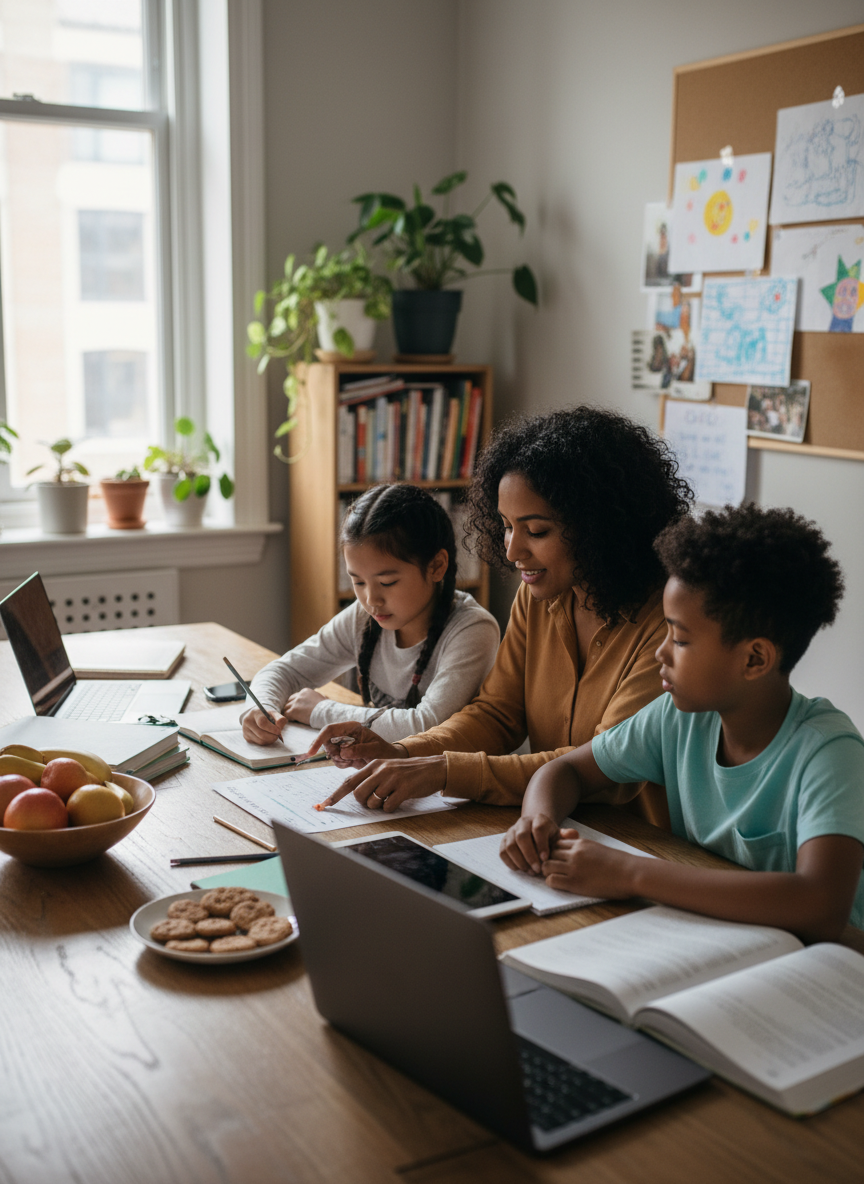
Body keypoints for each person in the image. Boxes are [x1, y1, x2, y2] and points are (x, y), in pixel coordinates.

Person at [310, 406, 694, 828]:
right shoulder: (539, 597)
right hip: (549, 827)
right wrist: (403, 752)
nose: (512, 551)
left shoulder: (669, 623)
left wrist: (443, 769)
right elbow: (498, 714)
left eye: (536, 531)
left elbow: (605, 767)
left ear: (600, 527)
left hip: (642, 843)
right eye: (507, 526)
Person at [500, 504, 864, 942]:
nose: (661, 652)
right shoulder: (679, 718)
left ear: (754, 658)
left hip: (827, 967)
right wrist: (536, 822)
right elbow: (565, 770)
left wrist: (629, 873)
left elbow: (819, 906)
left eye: (681, 638)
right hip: (719, 939)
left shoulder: (829, 752)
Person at [241, 483, 500, 745]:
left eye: (387, 582)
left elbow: (429, 726)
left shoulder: (472, 630)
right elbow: (285, 671)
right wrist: (261, 708)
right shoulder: (363, 618)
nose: (370, 599)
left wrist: (321, 711)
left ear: (436, 566)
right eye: (358, 582)